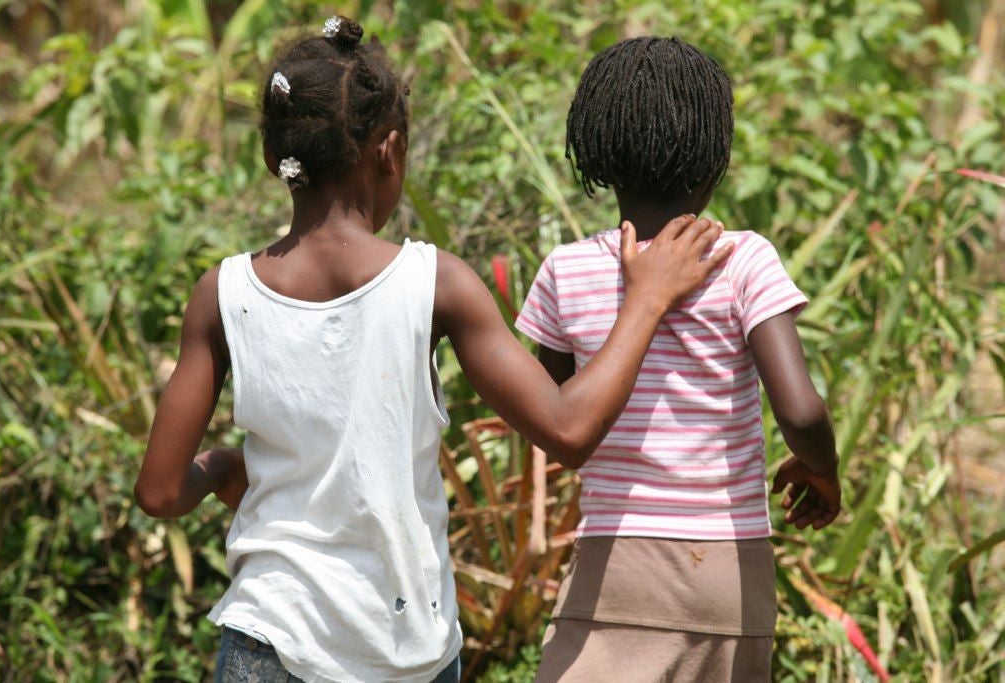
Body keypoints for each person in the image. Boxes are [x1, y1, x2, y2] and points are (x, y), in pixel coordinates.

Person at [133, 18, 733, 683]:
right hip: (406, 649)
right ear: (388, 152)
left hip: (271, 637)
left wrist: (220, 466)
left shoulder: (222, 292)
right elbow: (569, 429)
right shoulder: (435, 283)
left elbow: (160, 491)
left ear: (278, 159)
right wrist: (646, 298)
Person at [515, 36, 841, 682]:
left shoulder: (567, 270)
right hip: (729, 573)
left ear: (599, 153)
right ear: (715, 162)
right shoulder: (744, 260)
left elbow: (547, 418)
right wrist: (821, 468)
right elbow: (800, 410)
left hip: (615, 570)